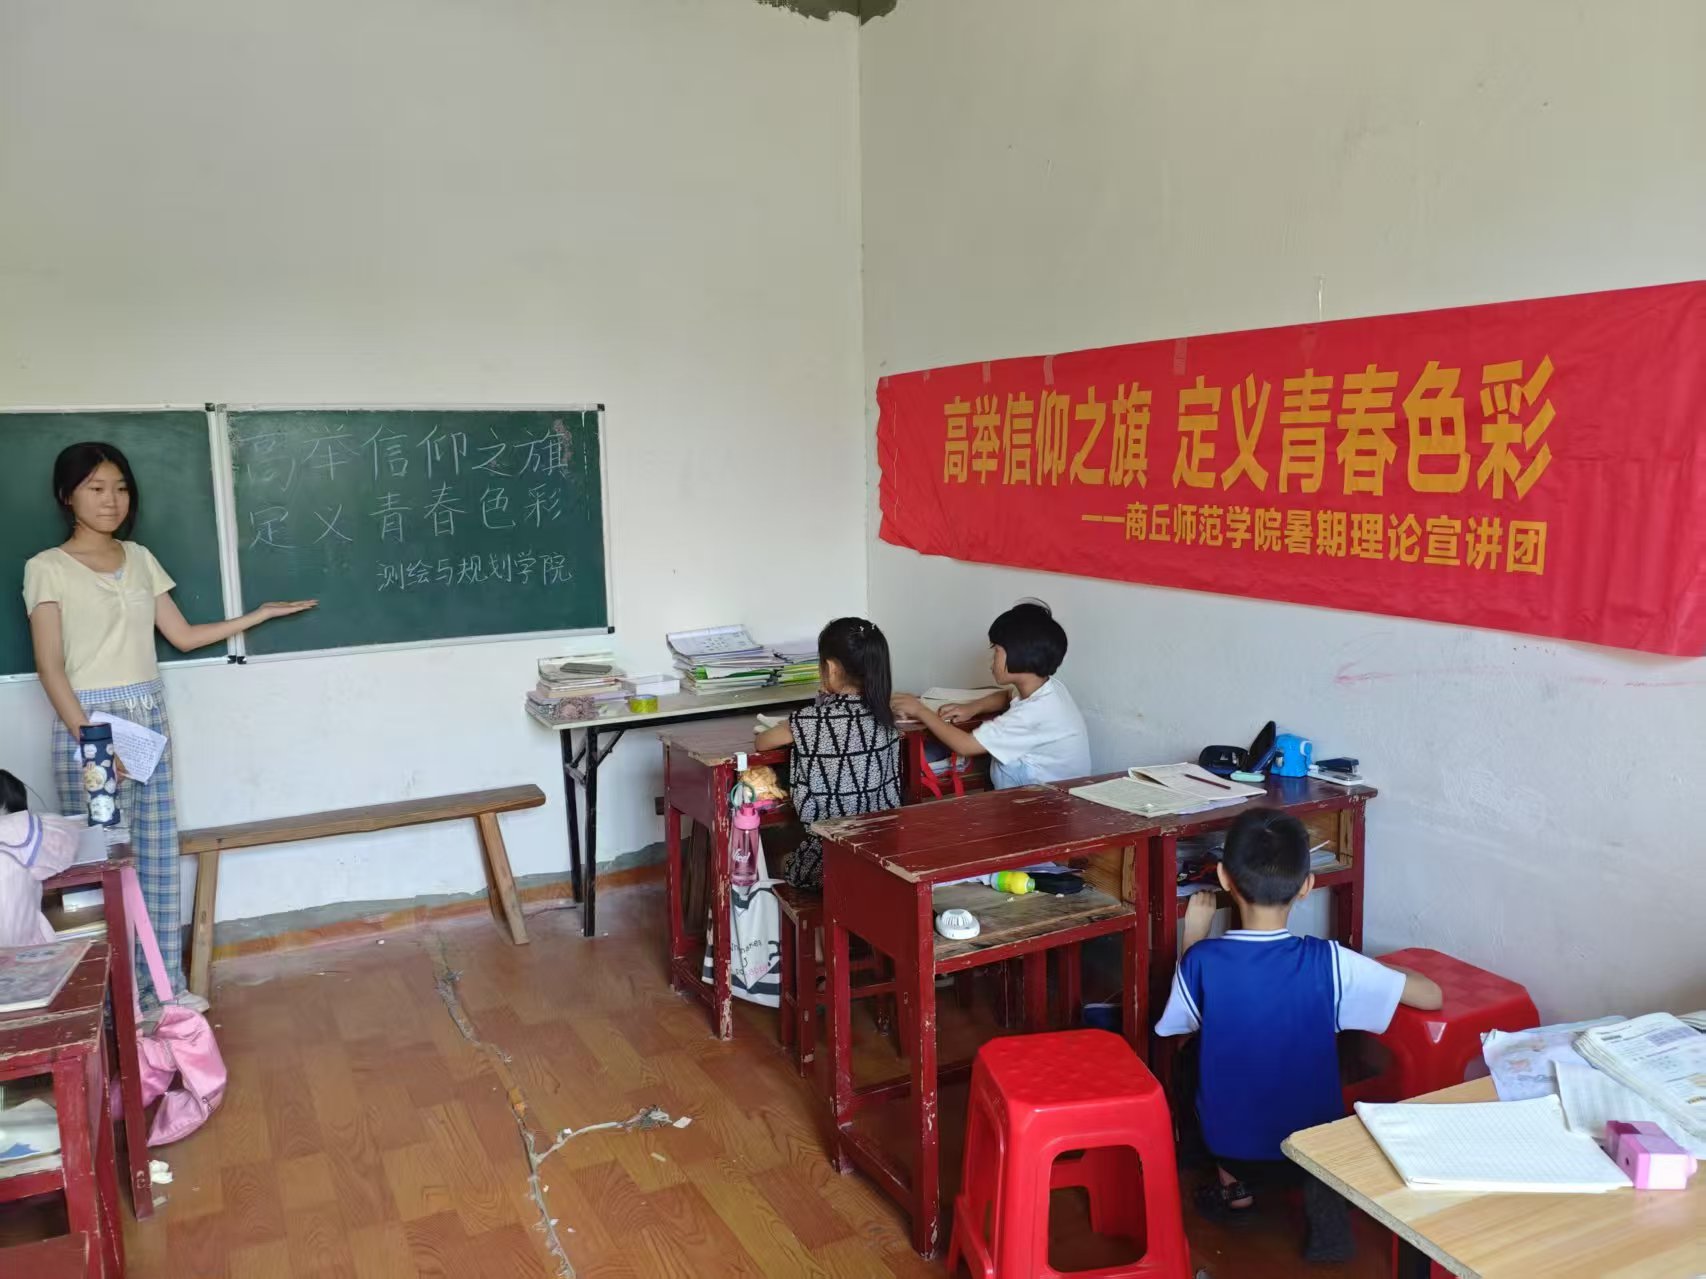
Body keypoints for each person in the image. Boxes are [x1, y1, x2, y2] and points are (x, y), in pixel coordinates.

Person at [23, 442, 316, 1009]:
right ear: (67, 496)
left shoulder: (139, 558)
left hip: (148, 716)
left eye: (120, 488)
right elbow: (50, 667)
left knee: (155, 853)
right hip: (90, 726)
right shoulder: (46, 568)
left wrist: (256, 616)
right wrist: (94, 745)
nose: (111, 500)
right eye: (96, 488)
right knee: (100, 864)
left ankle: (162, 992)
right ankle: (114, 1004)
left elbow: (180, 636)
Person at [1155, 807, 1443, 1262]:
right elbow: (1431, 996)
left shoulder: (1203, 960)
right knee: (1317, 1111)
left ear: (1225, 879)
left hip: (1232, 1147)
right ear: (1307, 886)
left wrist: (1193, 936)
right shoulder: (1329, 961)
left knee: (1192, 1057)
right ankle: (1327, 1214)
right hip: (1310, 1149)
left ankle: (1236, 1192)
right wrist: (1381, 971)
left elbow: (1179, 1025)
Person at [756, 617, 901, 891]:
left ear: (831, 668)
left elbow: (763, 742)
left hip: (830, 859)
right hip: (883, 854)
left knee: (773, 850)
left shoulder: (809, 720)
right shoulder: (886, 717)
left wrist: (818, 708)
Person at [890, 599, 1090, 789]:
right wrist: (972, 708)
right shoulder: (1047, 688)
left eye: (996, 651)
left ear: (1020, 655)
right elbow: (1007, 696)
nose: (991, 660)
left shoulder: (1034, 713)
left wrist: (920, 710)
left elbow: (966, 746)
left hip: (1045, 803)